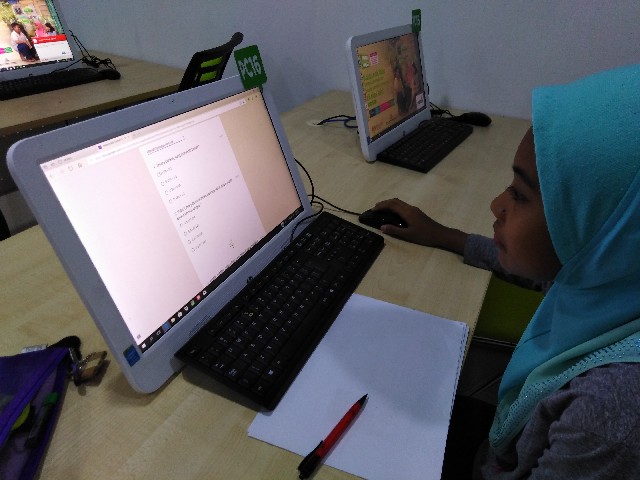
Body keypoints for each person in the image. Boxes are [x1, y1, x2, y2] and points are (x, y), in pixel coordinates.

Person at [377, 64, 640, 478]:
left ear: (604, 231)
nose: (496, 205)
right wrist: (444, 235)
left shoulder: (605, 419)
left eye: (519, 194)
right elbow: (540, 273)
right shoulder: (613, 279)